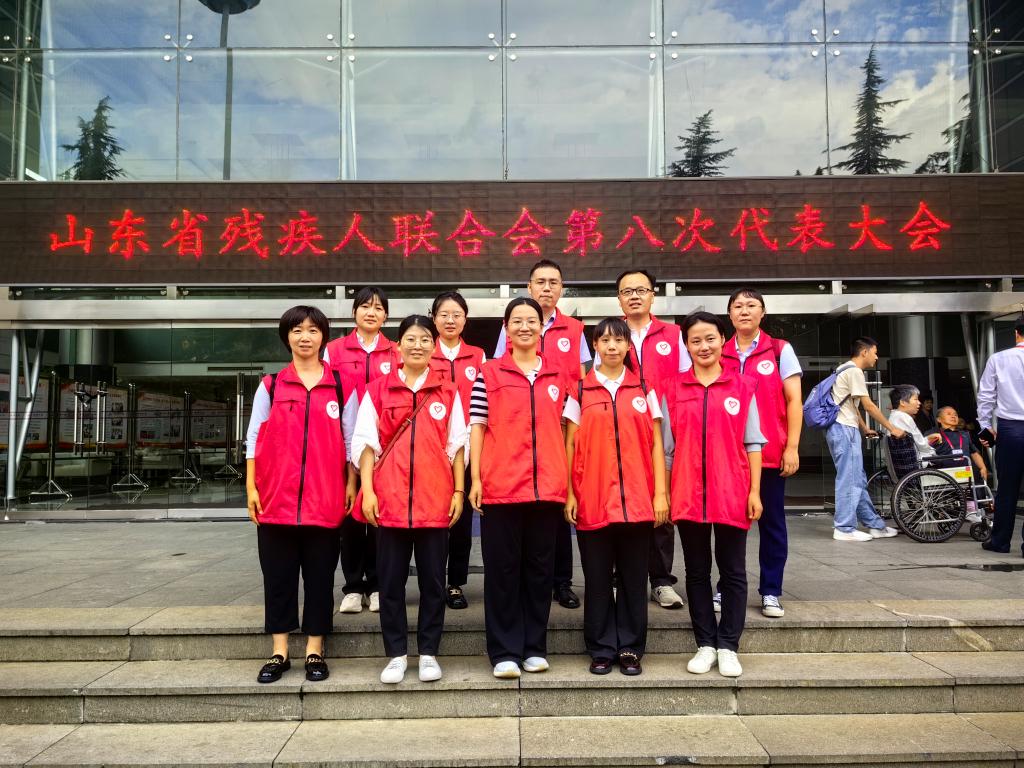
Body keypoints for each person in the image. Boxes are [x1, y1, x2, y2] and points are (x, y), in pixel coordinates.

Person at [351, 315, 466, 684]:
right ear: (397, 346)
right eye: (411, 339)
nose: (418, 345)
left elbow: (457, 446)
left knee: (433, 583)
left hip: (435, 500)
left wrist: (459, 491)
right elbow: (365, 443)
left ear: (434, 346)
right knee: (391, 583)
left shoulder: (448, 391)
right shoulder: (377, 390)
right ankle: (397, 654)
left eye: (425, 339)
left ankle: (429, 653)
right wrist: (368, 491)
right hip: (390, 501)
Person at [246, 306, 351, 684]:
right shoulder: (272, 385)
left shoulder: (340, 385)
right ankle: (279, 651)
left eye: (312, 330)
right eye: (296, 330)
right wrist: (251, 487)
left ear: (324, 337)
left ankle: (314, 649)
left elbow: (351, 441)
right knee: (278, 576)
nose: (305, 337)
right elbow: (253, 438)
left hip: (325, 499)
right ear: (286, 337)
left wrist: (351, 485)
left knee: (320, 577)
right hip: (277, 498)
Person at [661, 311, 765, 678]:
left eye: (710, 339)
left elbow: (753, 443)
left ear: (723, 340)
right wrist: (665, 494)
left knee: (733, 571)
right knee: (696, 571)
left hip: (732, 490)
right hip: (688, 492)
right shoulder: (673, 388)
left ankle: (729, 645)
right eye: (695, 340)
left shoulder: (743, 385)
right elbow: (667, 450)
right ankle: (705, 643)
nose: (703, 346)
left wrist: (755, 491)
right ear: (686, 346)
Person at [470, 297, 569, 679]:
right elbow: (478, 426)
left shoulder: (558, 375)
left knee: (540, 571)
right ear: (506, 328)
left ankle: (533, 647)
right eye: (517, 321)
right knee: (502, 571)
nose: (525, 326)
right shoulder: (489, 373)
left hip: (547, 487)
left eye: (532, 320)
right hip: (501, 486)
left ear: (542, 328)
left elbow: (568, 430)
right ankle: (504, 651)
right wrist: (476, 478)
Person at [564, 318, 669, 676]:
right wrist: (570, 493)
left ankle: (630, 647)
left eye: (618, 340)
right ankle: (601, 647)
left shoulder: (644, 388)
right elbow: (570, 445)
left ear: (628, 346)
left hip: (637, 501)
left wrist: (660, 494)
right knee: (596, 580)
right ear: (594, 345)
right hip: (593, 499)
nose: (612, 346)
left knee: (633, 578)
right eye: (605, 340)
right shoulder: (580, 390)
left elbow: (655, 444)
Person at [493, 259, 589, 610]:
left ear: (562, 288)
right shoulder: (512, 324)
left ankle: (561, 582)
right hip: (519, 427)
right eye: (540, 282)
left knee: (556, 508)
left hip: (560, 424)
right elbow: (499, 371)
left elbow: (581, 377)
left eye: (554, 282)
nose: (547, 288)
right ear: (529, 286)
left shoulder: (575, 329)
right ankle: (527, 581)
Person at [602, 269, 685, 611]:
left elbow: (686, 380)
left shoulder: (674, 334)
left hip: (664, 429)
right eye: (627, 291)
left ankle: (661, 580)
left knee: (662, 504)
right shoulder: (612, 334)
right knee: (621, 499)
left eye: (641, 290)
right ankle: (620, 578)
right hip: (623, 429)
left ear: (653, 295)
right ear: (619, 298)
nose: (634, 296)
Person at [718, 287, 802, 619]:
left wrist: (792, 447)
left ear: (762, 313)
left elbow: (794, 400)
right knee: (728, 527)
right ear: (729, 314)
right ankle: (726, 587)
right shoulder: (719, 351)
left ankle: (771, 590)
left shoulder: (780, 350)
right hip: (728, 457)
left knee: (772, 524)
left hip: (768, 455)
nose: (744, 311)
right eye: (738, 306)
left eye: (751, 305)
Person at [324, 287, 398, 615]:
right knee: (350, 519)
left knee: (380, 517)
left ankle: (379, 584)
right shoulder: (334, 350)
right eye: (365, 306)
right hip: (343, 445)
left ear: (386, 316)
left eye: (378, 308)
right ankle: (353, 586)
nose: (371, 312)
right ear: (354, 312)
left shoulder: (395, 351)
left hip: (384, 449)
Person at [429, 291, 487, 610]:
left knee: (462, 520)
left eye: (457, 314)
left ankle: (455, 583)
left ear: (465, 319)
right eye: (444, 314)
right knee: (434, 518)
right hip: (433, 449)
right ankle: (434, 579)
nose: (450, 320)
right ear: (434, 318)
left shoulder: (478, 356)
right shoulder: (425, 352)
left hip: (467, 449)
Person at [826, 337, 905, 541]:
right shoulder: (854, 371)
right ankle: (844, 528)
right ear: (864, 352)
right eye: (875, 353)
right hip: (843, 429)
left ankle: (875, 525)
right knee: (849, 480)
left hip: (844, 428)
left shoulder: (843, 369)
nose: (877, 357)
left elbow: (851, 405)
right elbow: (868, 405)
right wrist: (892, 428)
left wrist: (864, 427)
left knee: (856, 479)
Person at [977, 314, 1024, 554]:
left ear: (1016, 333)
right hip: (1011, 427)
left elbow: (986, 396)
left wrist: (985, 426)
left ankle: (1000, 541)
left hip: (1010, 428)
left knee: (1007, 488)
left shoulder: (998, 358)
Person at [931, 405, 989, 523]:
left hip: (964, 472)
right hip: (944, 473)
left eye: (955, 414)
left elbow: (974, 453)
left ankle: (974, 510)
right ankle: (968, 510)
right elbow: (925, 448)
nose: (953, 416)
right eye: (949, 414)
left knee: (977, 475)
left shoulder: (965, 434)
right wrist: (930, 439)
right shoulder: (934, 434)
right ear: (939, 419)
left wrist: (983, 467)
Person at [887, 384, 943, 460]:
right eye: (915, 399)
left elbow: (917, 443)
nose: (919, 403)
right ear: (903, 402)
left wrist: (928, 438)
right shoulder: (904, 418)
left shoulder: (895, 416)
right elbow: (922, 447)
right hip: (920, 462)